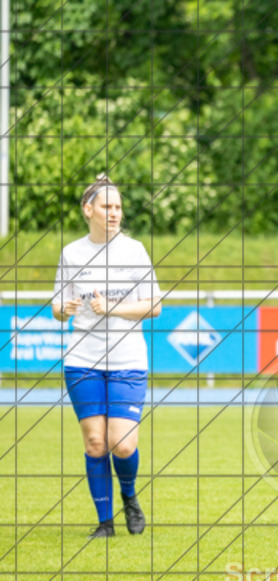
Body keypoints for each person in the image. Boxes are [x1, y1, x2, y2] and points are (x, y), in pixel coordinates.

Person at [53, 174, 163, 538]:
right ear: (89, 210)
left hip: (127, 359)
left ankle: (129, 496)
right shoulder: (71, 253)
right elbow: (57, 306)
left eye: (117, 207)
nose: (114, 213)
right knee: (96, 442)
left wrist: (112, 307)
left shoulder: (135, 251)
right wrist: (63, 308)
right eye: (106, 206)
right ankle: (105, 522)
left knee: (122, 442)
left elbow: (155, 307)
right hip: (82, 358)